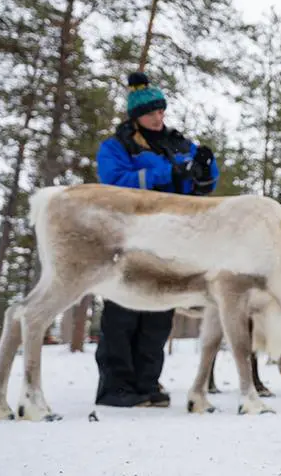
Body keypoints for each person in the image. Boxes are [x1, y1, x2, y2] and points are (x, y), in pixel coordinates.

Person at [93, 72, 219, 408]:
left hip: (171, 239)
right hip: (130, 236)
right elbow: (114, 182)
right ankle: (116, 385)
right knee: (123, 310)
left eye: (161, 111)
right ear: (136, 116)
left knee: (159, 310)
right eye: (151, 113)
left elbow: (198, 182)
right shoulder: (117, 146)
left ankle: (148, 382)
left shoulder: (178, 143)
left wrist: (206, 172)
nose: (158, 117)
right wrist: (167, 174)